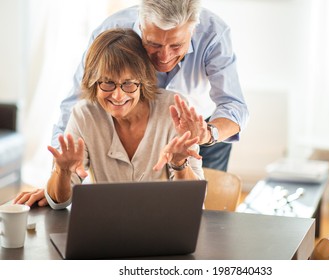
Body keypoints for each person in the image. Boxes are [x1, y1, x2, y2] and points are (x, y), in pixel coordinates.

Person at [14, 28, 204, 208]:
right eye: (108, 83)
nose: (118, 96)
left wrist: (179, 164)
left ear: (142, 80)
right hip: (109, 229)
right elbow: (60, 202)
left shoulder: (174, 109)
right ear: (94, 82)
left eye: (128, 83)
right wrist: (62, 172)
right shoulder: (84, 114)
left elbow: (195, 201)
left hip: (166, 226)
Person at [52, 0, 249, 172]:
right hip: (134, 131)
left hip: (201, 132)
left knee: (203, 208)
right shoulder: (111, 31)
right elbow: (77, 99)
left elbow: (234, 105)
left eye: (176, 46)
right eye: (153, 44)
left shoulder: (214, 33)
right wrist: (59, 170)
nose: (164, 57)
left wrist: (208, 133)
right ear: (141, 23)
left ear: (193, 30)